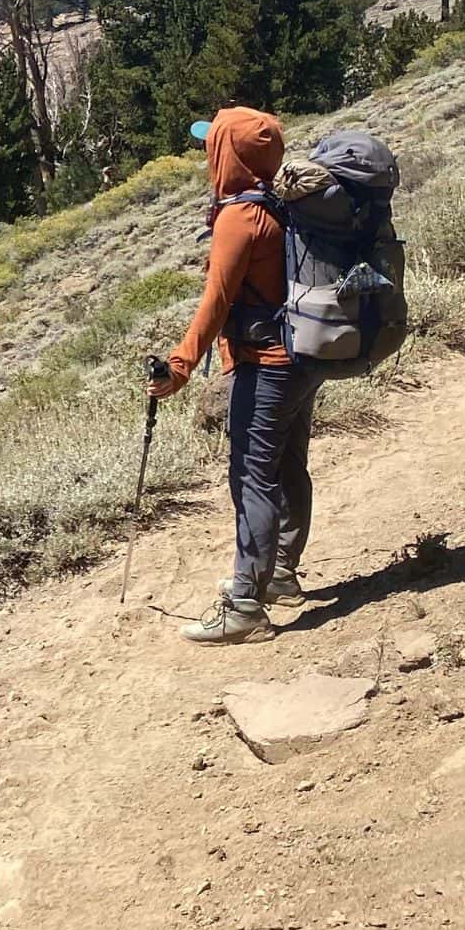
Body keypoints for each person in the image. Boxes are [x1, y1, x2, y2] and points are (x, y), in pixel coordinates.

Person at [150, 105, 318, 645]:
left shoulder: (237, 219)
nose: (206, 154)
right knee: (288, 465)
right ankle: (282, 572)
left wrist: (178, 367)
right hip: (301, 355)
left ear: (229, 155)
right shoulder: (277, 203)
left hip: (266, 364)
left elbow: (216, 301)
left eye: (212, 144)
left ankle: (245, 604)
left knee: (251, 477)